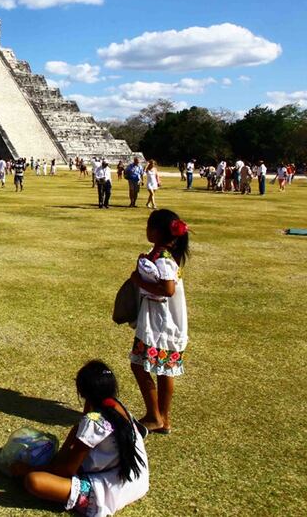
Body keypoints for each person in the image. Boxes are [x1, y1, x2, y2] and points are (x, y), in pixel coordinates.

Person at [16, 360, 149, 514]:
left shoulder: (93, 422)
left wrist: (27, 469)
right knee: (72, 439)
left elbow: (67, 470)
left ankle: (84, 497)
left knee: (34, 481)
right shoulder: (117, 407)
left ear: (82, 393)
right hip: (137, 479)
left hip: (111, 489)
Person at [129, 209, 189, 435]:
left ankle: (155, 415)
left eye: (149, 226)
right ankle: (163, 418)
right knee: (165, 370)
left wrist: (138, 281)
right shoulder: (163, 255)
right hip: (165, 320)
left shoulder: (163, 259)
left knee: (139, 364)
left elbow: (168, 290)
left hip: (160, 323)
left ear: (157, 232)